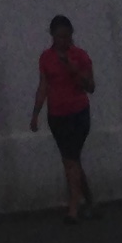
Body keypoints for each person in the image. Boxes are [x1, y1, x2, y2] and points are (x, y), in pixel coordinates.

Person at [27, 14, 96, 221]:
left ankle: (73, 207)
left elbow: (90, 87)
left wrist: (74, 70)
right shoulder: (46, 58)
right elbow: (44, 86)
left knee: (70, 159)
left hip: (78, 113)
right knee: (72, 160)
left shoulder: (81, 56)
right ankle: (91, 201)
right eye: (60, 37)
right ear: (52, 36)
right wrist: (36, 113)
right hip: (57, 116)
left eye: (67, 37)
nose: (64, 41)